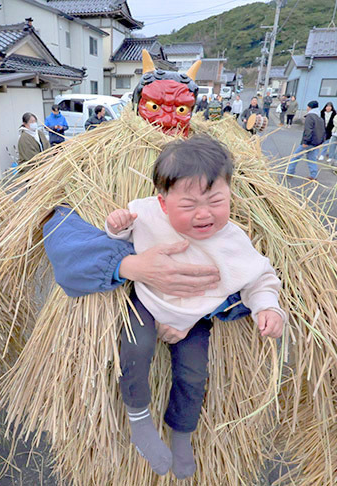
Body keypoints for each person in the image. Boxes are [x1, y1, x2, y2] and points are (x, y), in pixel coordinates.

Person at [104, 135, 285, 478]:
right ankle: (140, 422)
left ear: (230, 194)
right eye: (188, 206)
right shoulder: (144, 213)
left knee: (193, 374)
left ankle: (181, 435)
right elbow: (120, 236)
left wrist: (269, 309)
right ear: (163, 203)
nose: (204, 214)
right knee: (136, 347)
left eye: (216, 201)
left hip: (195, 317)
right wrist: (117, 227)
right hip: (148, 302)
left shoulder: (233, 241)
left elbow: (261, 278)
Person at [286, 100, 325, 180]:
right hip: (316, 143)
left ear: (310, 107)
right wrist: (321, 142)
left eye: (307, 106)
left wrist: (305, 141)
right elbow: (323, 131)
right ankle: (313, 175)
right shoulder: (320, 118)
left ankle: (290, 172)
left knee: (295, 157)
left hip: (308, 142)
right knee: (312, 159)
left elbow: (308, 130)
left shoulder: (310, 117)